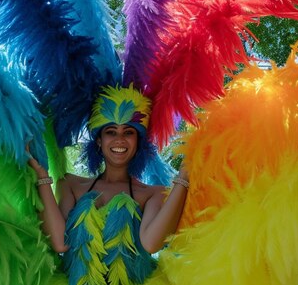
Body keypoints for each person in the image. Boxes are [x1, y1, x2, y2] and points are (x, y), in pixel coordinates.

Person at [28, 86, 189, 284]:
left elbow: (150, 243)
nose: (119, 139)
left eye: (128, 132)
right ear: (98, 140)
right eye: (111, 131)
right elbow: (60, 243)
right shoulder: (70, 184)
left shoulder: (152, 194)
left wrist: (184, 176)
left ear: (138, 141)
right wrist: (42, 177)